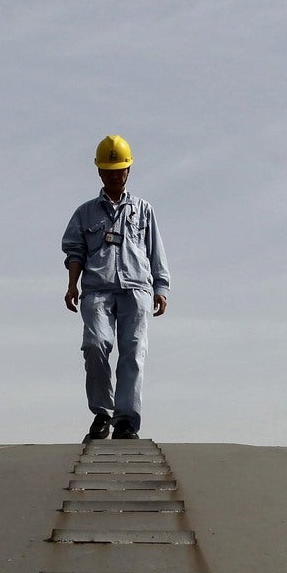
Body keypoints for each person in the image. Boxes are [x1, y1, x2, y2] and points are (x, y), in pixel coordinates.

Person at [61, 134, 170, 441]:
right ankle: (102, 413)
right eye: (108, 170)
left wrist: (161, 287)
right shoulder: (85, 213)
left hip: (136, 289)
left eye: (119, 169)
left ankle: (126, 420)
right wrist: (72, 285)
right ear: (99, 172)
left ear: (128, 171)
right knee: (95, 346)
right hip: (96, 291)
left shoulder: (143, 210)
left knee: (133, 352)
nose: (113, 175)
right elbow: (75, 252)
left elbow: (155, 250)